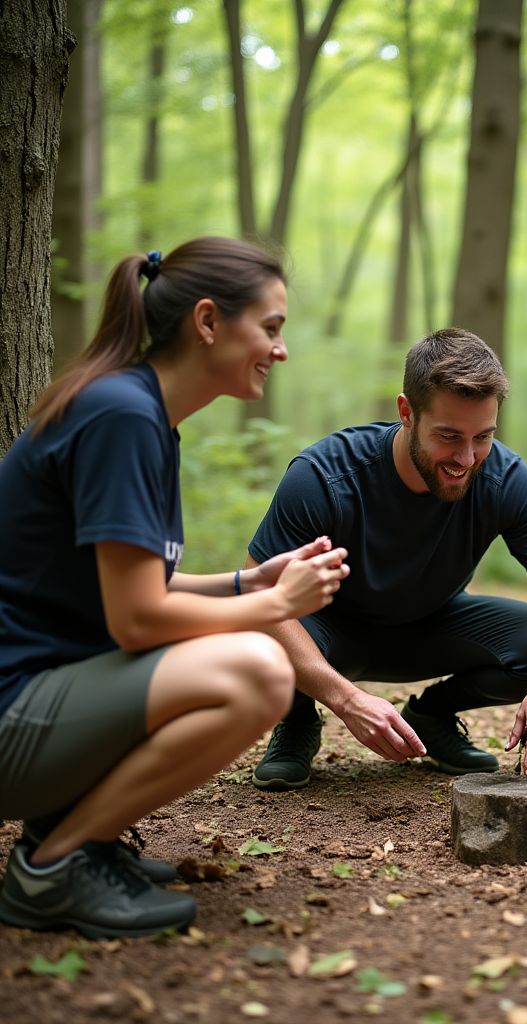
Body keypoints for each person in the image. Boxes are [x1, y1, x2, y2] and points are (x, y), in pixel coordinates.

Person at [0, 239, 347, 939]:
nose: (280, 350)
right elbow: (138, 621)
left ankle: (78, 835)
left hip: (41, 695)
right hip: (15, 707)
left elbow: (134, 583)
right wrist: (276, 606)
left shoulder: (141, 414)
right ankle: (51, 868)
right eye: (271, 328)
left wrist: (249, 579)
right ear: (209, 321)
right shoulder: (121, 416)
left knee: (239, 654)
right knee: (255, 670)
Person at [247, 327, 527, 790]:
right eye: (449, 436)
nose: (467, 458)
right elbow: (258, 591)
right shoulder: (324, 476)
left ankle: (432, 715)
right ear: (406, 413)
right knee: (258, 634)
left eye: (484, 436)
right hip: (328, 631)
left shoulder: (505, 479)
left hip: (433, 625)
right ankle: (295, 721)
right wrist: (346, 699)